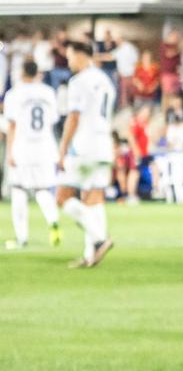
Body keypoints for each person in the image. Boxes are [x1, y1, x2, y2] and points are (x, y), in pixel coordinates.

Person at [57, 41, 116, 269]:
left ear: (81, 56)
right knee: (93, 199)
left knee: (62, 197)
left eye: (71, 56)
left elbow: (74, 118)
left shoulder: (79, 82)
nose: (69, 62)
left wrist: (63, 148)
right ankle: (91, 255)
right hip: (103, 144)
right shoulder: (105, 81)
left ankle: (100, 238)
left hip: (85, 146)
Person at [3, 60, 62, 250]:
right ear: (38, 73)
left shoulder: (14, 94)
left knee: (19, 190)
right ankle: (53, 221)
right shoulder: (48, 92)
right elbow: (53, 120)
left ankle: (22, 238)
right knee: (43, 190)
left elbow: (12, 125)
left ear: (22, 72)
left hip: (23, 146)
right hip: (45, 146)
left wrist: (11, 152)